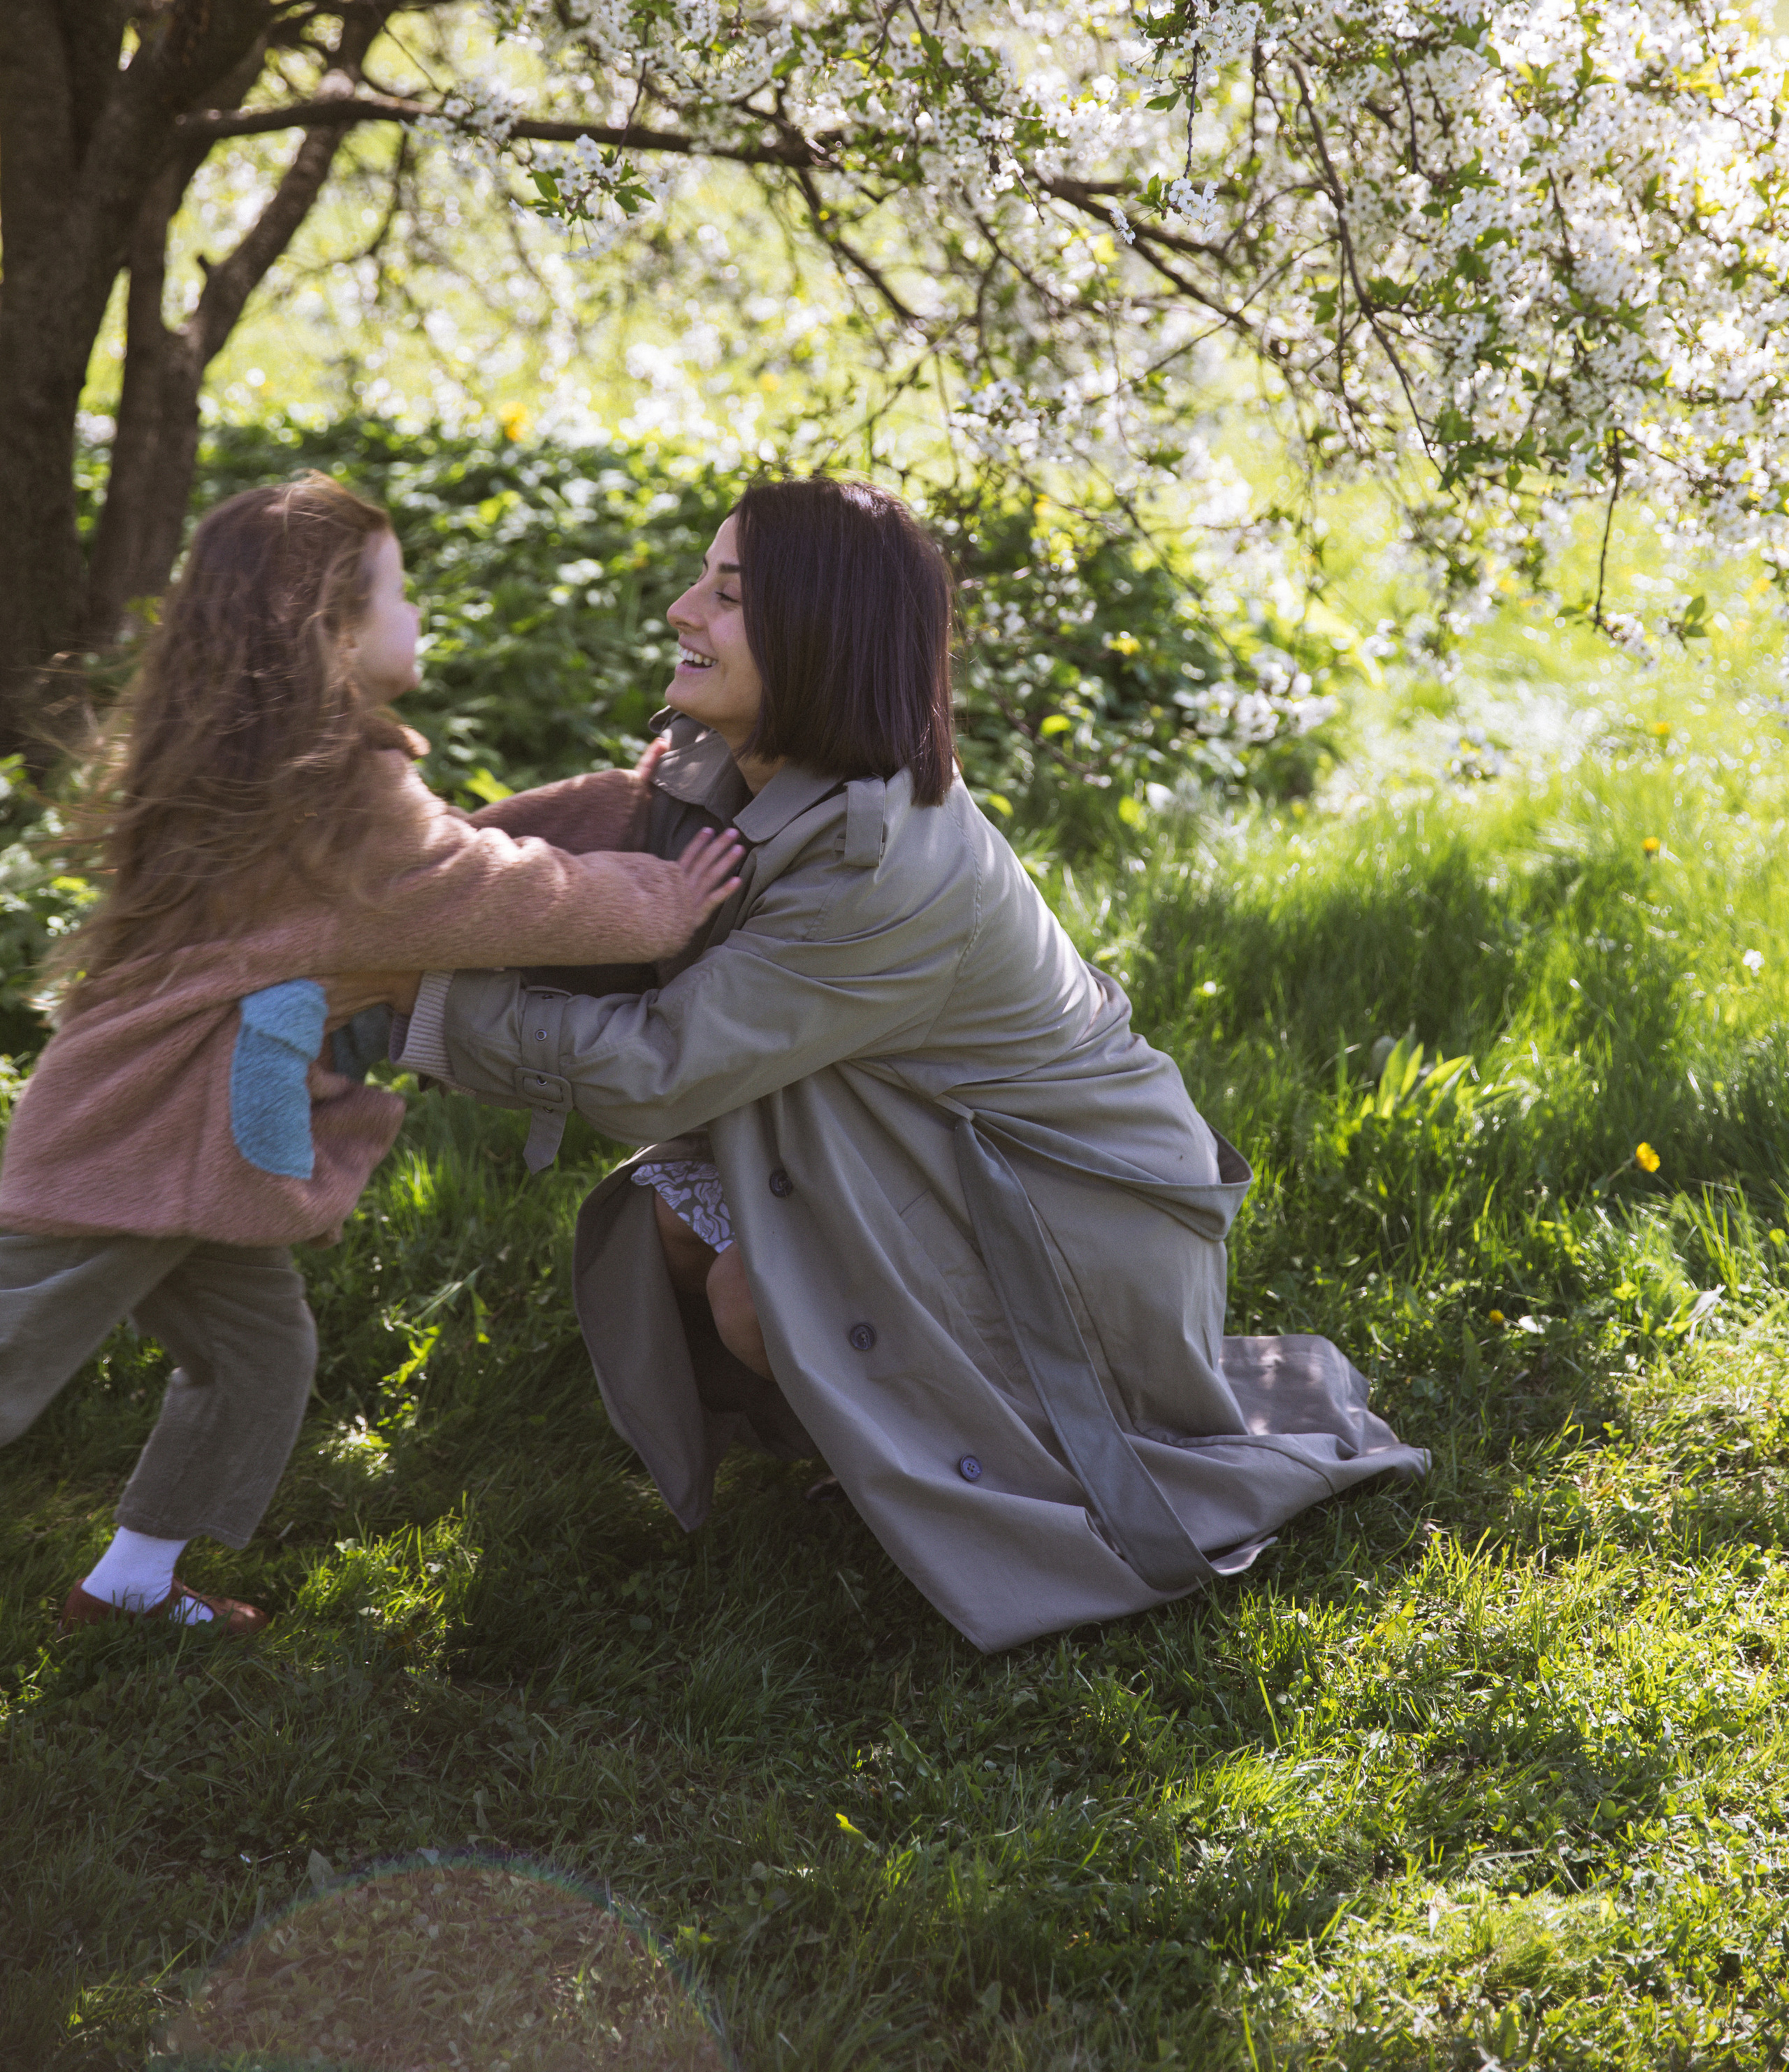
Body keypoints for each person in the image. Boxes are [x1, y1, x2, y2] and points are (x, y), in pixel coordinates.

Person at [388, 479, 1427, 1655]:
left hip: (1069, 1213)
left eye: (726, 597)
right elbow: (607, 843)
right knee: (675, 1237)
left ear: (820, 636)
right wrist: (408, 893)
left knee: (748, 1293)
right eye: (702, 580)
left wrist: (403, 998)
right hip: (952, 1154)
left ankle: (975, 1463)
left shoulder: (886, 863)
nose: (683, 610)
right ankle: (900, 1433)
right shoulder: (747, 765)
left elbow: (660, 1071)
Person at [0, 474, 740, 1637]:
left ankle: (132, 1581)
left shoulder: (281, 771)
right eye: (399, 591)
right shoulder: (346, 795)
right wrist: (659, 897)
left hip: (204, 1147)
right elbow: (489, 890)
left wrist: (620, 808)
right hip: (138, 1131)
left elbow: (467, 849)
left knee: (257, 1355)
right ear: (332, 631)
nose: (416, 611)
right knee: (15, 1336)